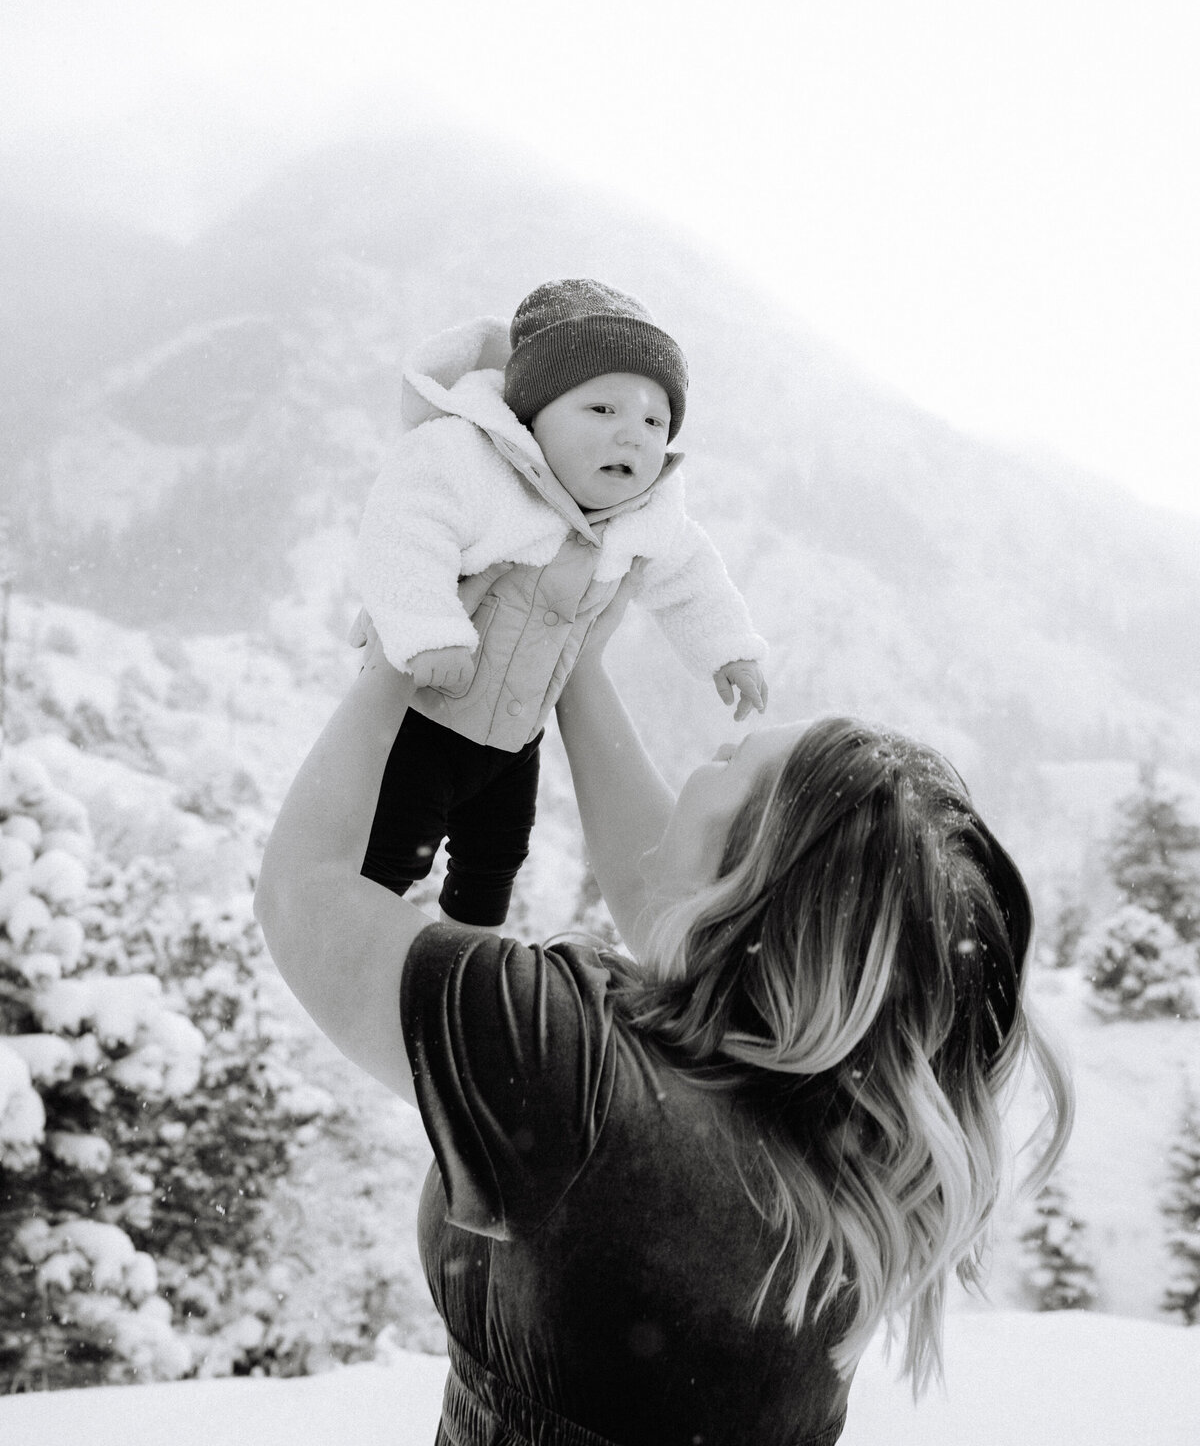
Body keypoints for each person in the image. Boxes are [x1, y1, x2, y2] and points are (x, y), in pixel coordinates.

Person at [254, 597, 1073, 1446]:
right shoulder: (848, 1140)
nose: (700, 768)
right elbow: (682, 910)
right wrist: (571, 663)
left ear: (746, 889)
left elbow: (302, 891)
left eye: (727, 760)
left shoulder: (573, 1077)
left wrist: (400, 643)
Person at [353, 277, 767, 927]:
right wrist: (429, 629)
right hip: (421, 721)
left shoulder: (644, 519)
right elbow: (404, 529)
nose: (632, 435)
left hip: (515, 742)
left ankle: (470, 955)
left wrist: (728, 650)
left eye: (653, 421)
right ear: (532, 416)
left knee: (494, 861)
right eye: (602, 410)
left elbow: (694, 579)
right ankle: (357, 941)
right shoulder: (475, 466)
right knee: (387, 852)